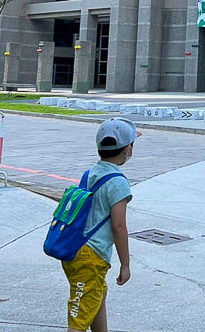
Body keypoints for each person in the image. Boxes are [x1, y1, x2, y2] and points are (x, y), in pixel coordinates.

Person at [61, 118, 137, 332]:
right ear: (128, 149)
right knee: (78, 321)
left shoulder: (90, 173)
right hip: (91, 257)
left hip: (75, 249)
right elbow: (118, 227)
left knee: (96, 297)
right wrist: (125, 264)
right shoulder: (118, 182)